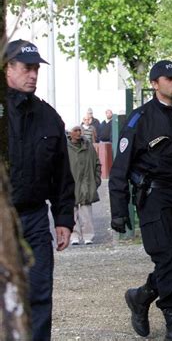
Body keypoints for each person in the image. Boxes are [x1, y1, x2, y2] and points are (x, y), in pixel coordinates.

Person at [109, 60, 172, 341]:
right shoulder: (140, 119)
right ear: (154, 84)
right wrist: (118, 210)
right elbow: (120, 168)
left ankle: (142, 295)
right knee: (166, 258)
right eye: (169, 78)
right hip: (154, 195)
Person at [5, 39, 75, 340]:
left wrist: (63, 220)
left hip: (33, 219)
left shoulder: (48, 117)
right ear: (7, 68)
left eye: (36, 69)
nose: (32, 75)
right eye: (26, 68)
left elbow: (62, 175)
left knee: (38, 294)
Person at [67, 125, 102, 245]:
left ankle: (88, 235)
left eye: (79, 130)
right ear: (70, 133)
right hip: (71, 184)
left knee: (86, 212)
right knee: (72, 212)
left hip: (86, 183)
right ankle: (74, 235)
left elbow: (97, 163)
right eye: (75, 130)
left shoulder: (88, 146)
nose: (78, 133)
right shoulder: (65, 148)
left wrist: (96, 181)